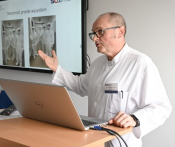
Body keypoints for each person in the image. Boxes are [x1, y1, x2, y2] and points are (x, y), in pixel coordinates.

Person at [38, 12, 172, 147]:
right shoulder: (97, 64)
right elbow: (80, 86)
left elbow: (162, 107)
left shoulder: (140, 63)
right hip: (95, 141)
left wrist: (135, 119)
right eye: (93, 33)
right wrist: (57, 68)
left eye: (100, 32)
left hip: (121, 143)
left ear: (120, 31)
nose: (95, 38)